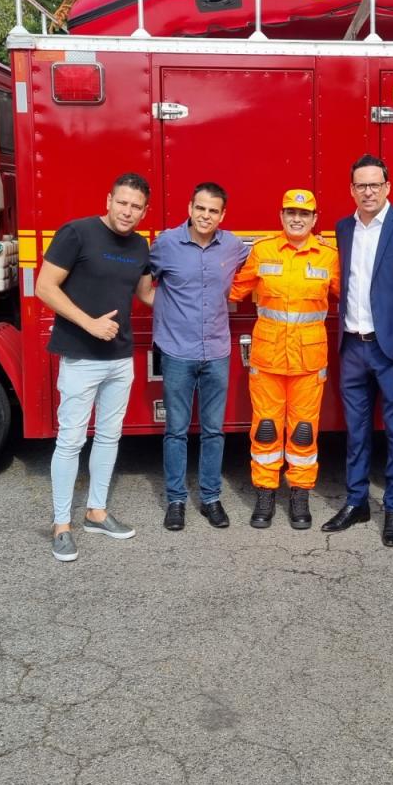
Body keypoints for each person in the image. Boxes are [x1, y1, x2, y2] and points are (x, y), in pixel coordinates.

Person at [36, 173, 155, 563]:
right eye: (123, 202)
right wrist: (89, 323)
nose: (128, 211)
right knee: (71, 440)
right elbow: (44, 286)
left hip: (120, 358)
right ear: (108, 200)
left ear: (144, 211)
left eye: (136, 206)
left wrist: (198, 296)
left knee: (108, 437)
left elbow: (146, 294)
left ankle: (96, 513)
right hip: (81, 357)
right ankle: (61, 526)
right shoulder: (77, 233)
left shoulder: (140, 245)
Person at [323, 155, 393, 547]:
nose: (368, 191)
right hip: (353, 346)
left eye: (375, 184)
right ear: (351, 190)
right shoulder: (343, 228)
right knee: (356, 432)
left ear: (387, 187)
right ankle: (357, 502)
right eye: (361, 185)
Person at [229, 190, 340, 529]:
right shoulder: (263, 251)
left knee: (304, 432)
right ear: (281, 216)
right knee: (265, 430)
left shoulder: (329, 256)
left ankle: (299, 495)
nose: (297, 219)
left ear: (314, 219)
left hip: (308, 362)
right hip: (268, 359)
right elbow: (234, 290)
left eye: (304, 214)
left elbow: (353, 296)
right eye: (291, 212)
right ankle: (265, 493)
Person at [149, 182, 248, 532]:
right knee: (175, 430)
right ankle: (176, 501)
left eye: (213, 210)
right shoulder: (166, 244)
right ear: (190, 208)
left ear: (223, 215)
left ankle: (210, 498)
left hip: (217, 351)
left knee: (213, 431)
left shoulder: (233, 246)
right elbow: (144, 285)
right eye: (200, 208)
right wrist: (165, 316)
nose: (206, 215)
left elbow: (259, 265)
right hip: (177, 352)